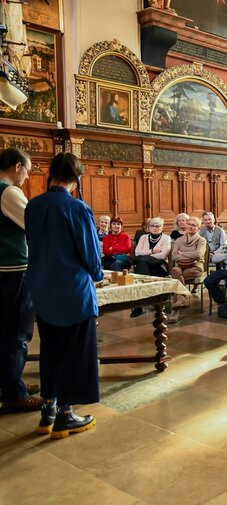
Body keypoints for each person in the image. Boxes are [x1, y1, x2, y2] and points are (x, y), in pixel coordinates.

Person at [25, 152, 102, 438]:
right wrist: (97, 275)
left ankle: (48, 409)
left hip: (42, 288)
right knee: (75, 353)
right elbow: (91, 253)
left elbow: (32, 243)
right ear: (77, 178)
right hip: (73, 291)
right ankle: (66, 414)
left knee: (51, 349)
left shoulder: (33, 205)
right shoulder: (77, 208)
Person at [0, 148, 41, 413]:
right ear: (17, 166)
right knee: (17, 331)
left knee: (5, 330)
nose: (26, 176)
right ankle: (15, 394)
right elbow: (33, 223)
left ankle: (10, 383)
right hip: (13, 270)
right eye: (27, 170)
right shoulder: (8, 191)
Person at [169, 216, 207, 311]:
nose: (190, 227)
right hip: (181, 266)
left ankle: (176, 310)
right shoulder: (179, 240)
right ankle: (182, 299)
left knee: (176, 279)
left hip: (196, 267)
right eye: (189, 224)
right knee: (174, 270)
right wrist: (190, 255)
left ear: (198, 228)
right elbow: (174, 256)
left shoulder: (201, 240)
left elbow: (198, 254)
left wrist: (182, 253)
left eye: (193, 225)